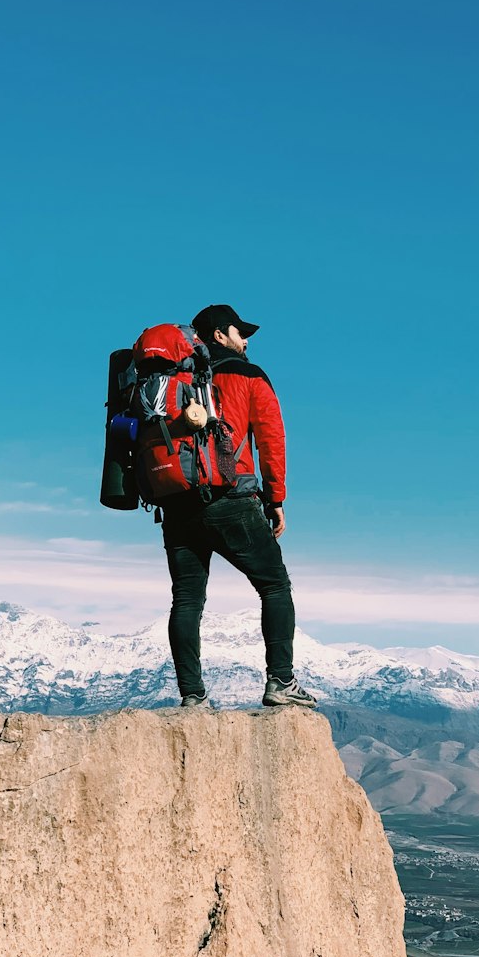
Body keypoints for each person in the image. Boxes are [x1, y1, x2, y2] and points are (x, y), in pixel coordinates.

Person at [159, 302, 317, 710]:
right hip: (231, 498)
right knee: (275, 586)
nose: (245, 339)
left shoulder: (173, 378)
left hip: (177, 502)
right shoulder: (248, 375)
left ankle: (193, 696)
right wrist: (276, 498)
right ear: (218, 335)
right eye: (238, 331)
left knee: (187, 599)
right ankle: (280, 681)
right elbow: (271, 439)